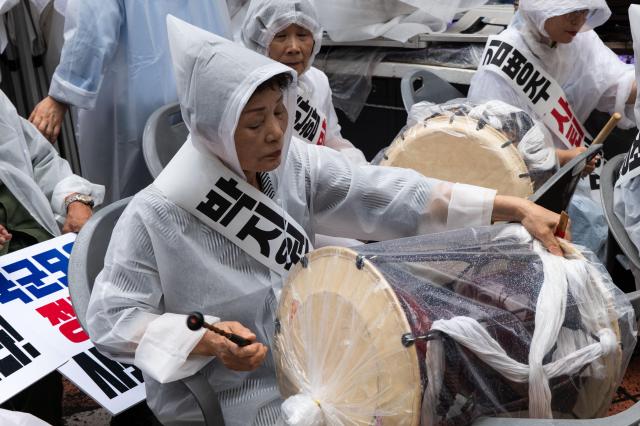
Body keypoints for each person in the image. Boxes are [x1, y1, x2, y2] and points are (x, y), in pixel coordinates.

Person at [86, 16, 564, 426]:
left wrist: (511, 207)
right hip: (240, 393)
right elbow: (114, 319)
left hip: (320, 358)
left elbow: (388, 192)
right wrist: (203, 337)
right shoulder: (157, 213)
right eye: (254, 123)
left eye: (280, 112)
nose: (276, 132)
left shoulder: (293, 164)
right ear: (212, 127)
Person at [468, 0, 637, 256]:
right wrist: (560, 158)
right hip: (525, 188)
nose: (578, 20)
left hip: (570, 172)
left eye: (584, 11)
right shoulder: (503, 64)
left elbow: (618, 83)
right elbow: (491, 153)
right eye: (569, 11)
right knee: (593, 222)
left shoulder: (580, 40)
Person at [28, 0, 231, 202]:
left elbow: (93, 27)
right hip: (205, 78)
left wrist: (63, 94)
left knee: (136, 195)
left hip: (139, 92)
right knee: (204, 188)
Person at [0, 88, 104, 425]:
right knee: (23, 382)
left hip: (38, 259)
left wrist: (75, 199)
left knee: (117, 326)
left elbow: (40, 159)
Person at [241, 0, 367, 164]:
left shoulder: (317, 81)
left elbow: (330, 137)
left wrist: (355, 161)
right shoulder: (248, 91)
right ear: (259, 39)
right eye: (280, 36)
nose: (294, 47)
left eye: (302, 35)